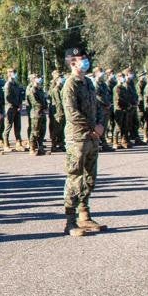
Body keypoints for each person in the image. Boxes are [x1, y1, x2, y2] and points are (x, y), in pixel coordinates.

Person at [62, 47, 108, 237]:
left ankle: (84, 213)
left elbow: (96, 107)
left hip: (91, 137)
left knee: (90, 177)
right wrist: (92, 128)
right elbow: (72, 113)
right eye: (82, 59)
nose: (85, 62)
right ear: (72, 63)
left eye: (86, 59)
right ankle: (70, 221)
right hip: (78, 138)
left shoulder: (88, 83)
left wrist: (100, 125)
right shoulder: (70, 85)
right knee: (75, 178)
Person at [3, 69, 25, 152]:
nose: (14, 74)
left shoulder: (16, 84)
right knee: (8, 126)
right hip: (10, 107)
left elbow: (19, 95)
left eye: (15, 72)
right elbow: (8, 98)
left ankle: (18, 143)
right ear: (8, 74)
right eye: (12, 72)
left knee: (18, 126)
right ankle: (6, 144)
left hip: (17, 107)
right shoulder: (8, 85)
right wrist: (16, 105)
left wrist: (20, 104)